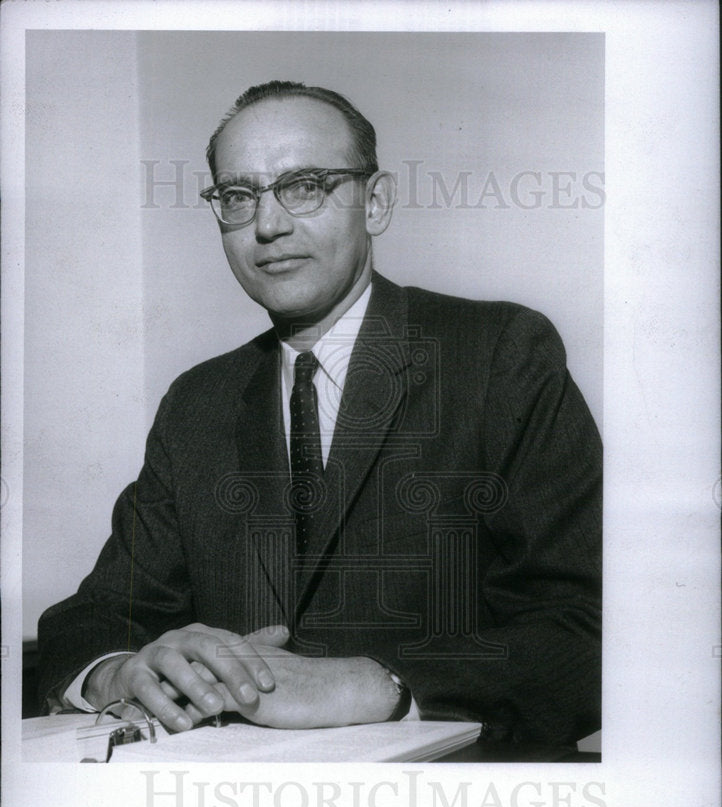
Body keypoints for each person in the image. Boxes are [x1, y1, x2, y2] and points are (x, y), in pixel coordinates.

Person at [37, 80, 602, 746]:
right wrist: (120, 672)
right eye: (239, 196)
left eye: (305, 185)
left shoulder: (499, 355)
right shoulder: (198, 402)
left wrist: (375, 684)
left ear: (378, 201)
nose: (269, 225)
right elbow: (94, 617)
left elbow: (588, 626)